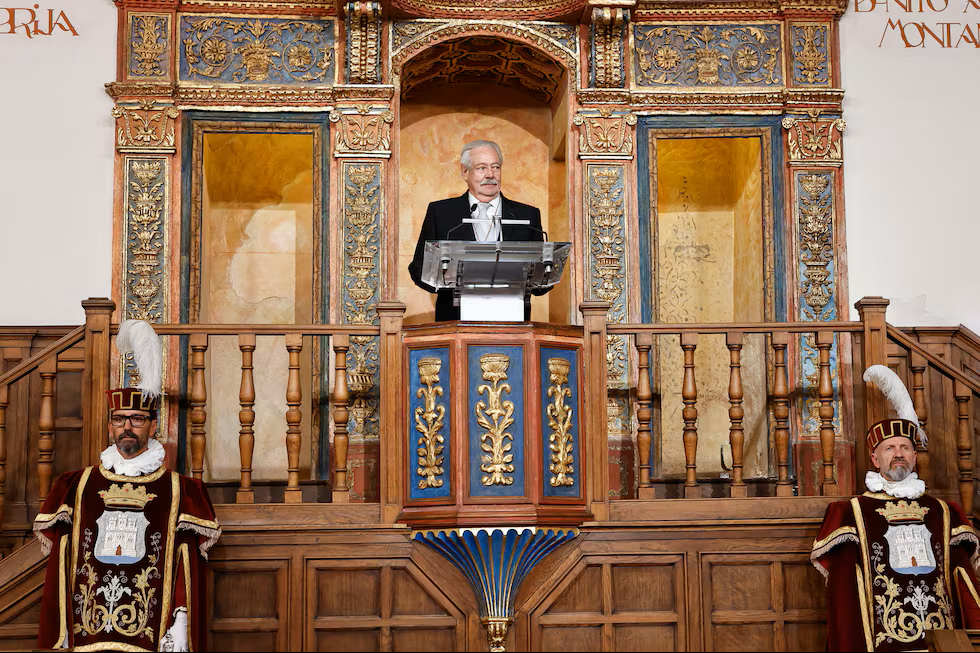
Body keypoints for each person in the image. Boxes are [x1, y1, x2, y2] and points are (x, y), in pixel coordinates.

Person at [33, 321, 220, 651]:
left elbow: (184, 563)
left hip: (151, 628)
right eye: (120, 419)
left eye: (137, 419)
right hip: (88, 628)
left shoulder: (179, 490)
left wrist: (181, 619)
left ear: (152, 424)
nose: (127, 427)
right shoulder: (77, 485)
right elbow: (61, 563)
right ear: (110, 425)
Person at [811, 364, 980, 652]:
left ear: (914, 457)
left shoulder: (942, 511)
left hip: (941, 638)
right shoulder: (852, 513)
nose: (898, 454)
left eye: (904, 448)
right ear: (875, 459)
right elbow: (844, 593)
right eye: (889, 449)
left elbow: (963, 580)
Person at [408, 139, 546, 321]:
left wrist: (538, 277)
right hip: (455, 322)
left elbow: (542, 279)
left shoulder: (527, 215)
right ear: (465, 172)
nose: (490, 174)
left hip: (513, 324)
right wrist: (447, 280)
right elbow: (419, 268)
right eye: (482, 168)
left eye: (496, 167)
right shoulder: (441, 213)